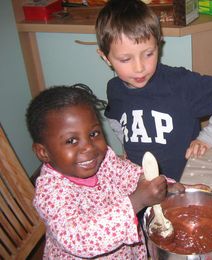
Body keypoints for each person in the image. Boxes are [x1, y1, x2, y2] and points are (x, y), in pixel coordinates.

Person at [26, 84, 184, 259]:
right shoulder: (50, 192)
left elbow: (126, 173)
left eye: (93, 134)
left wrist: (161, 185)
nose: (89, 147)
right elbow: (79, 238)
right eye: (71, 140)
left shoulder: (102, 158)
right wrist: (136, 201)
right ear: (43, 152)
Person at [95, 0, 212, 181]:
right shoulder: (114, 88)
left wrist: (208, 138)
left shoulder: (180, 84)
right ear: (106, 57)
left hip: (183, 181)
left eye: (148, 54)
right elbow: (114, 117)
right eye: (125, 59)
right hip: (141, 184)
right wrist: (127, 144)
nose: (140, 67)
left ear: (158, 44)